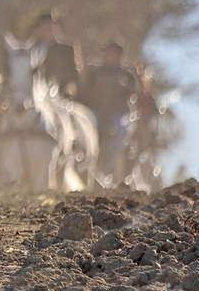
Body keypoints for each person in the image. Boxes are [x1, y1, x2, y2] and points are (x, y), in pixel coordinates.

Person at [83, 41, 138, 174]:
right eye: (108, 53)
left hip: (118, 114)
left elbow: (133, 94)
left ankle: (107, 165)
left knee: (121, 132)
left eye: (113, 53)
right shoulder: (94, 73)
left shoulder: (128, 75)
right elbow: (86, 92)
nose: (110, 56)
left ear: (120, 55)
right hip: (96, 112)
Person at [30, 12, 81, 99]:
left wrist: (66, 88)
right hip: (32, 96)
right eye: (44, 26)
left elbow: (73, 76)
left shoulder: (66, 50)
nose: (47, 29)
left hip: (58, 96)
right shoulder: (29, 50)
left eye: (50, 26)